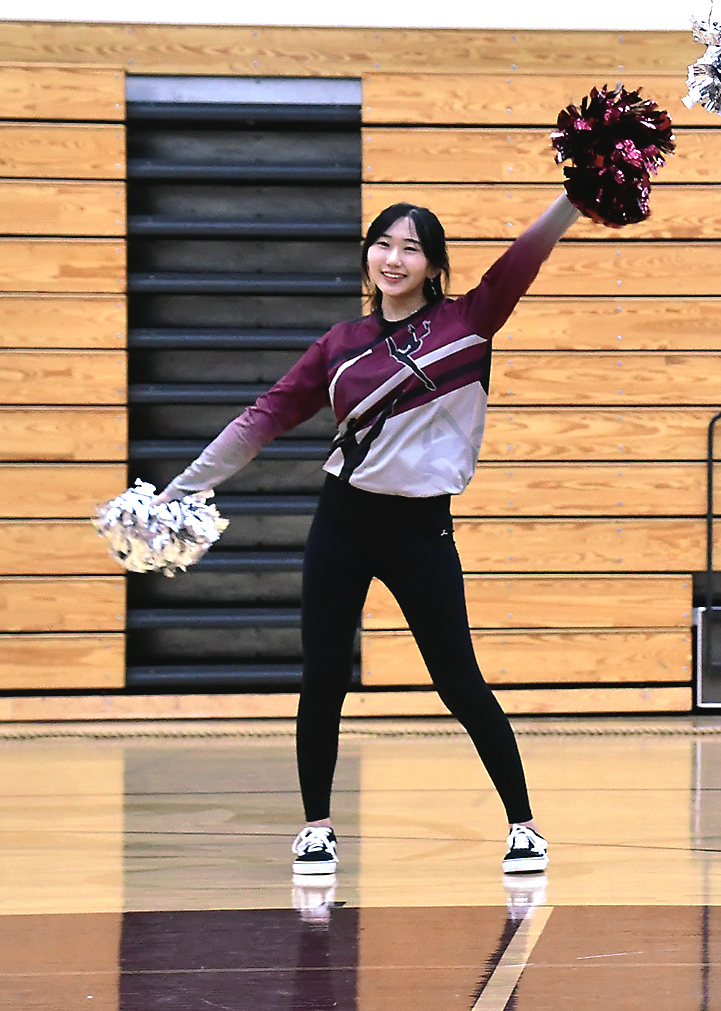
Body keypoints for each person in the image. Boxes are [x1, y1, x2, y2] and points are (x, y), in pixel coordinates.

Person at [160, 194, 583, 878]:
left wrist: (574, 196)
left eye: (411, 248)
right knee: (323, 675)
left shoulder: (470, 321)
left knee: (458, 680)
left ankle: (524, 825)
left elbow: (524, 257)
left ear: (434, 265)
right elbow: (263, 417)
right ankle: (317, 828)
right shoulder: (340, 344)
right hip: (344, 520)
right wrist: (185, 484)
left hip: (421, 527)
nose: (394, 258)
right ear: (368, 254)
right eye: (384, 244)